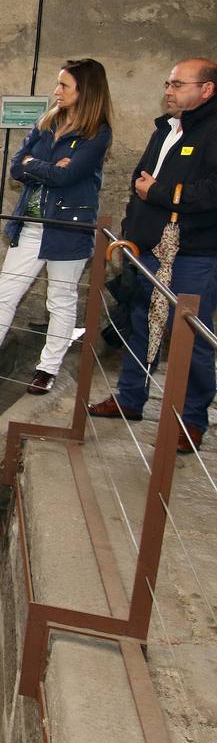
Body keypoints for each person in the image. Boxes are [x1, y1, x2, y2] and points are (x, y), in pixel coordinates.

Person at [0, 59, 113, 394]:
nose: (57, 91)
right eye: (58, 84)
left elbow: (67, 175)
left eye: (64, 86)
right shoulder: (47, 121)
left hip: (66, 227)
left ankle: (47, 368)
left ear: (86, 92)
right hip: (31, 224)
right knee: (5, 294)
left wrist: (34, 165)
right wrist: (45, 165)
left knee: (60, 300)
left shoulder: (97, 134)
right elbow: (15, 167)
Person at [89, 58, 217, 452]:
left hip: (195, 252)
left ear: (207, 89)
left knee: (189, 336)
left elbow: (210, 193)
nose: (168, 90)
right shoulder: (166, 128)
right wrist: (133, 233)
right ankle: (130, 398)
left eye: (178, 84)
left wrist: (158, 193)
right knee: (140, 323)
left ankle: (191, 420)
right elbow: (139, 183)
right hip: (148, 248)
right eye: (168, 83)